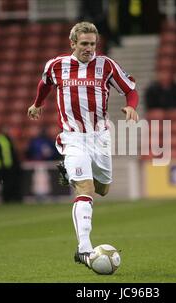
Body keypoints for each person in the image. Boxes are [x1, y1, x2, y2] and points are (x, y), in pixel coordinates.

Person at [27, 21, 139, 270]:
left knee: (103, 189)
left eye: (93, 43)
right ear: (73, 44)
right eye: (85, 44)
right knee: (85, 189)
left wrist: (131, 106)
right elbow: (44, 84)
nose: (90, 48)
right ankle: (84, 249)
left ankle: (68, 173)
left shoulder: (106, 65)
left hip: (99, 137)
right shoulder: (57, 66)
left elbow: (131, 89)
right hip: (73, 137)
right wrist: (37, 104)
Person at [0, 125, 23, 203]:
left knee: (11, 183)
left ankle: (12, 198)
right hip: (3, 166)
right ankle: (6, 199)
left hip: (10, 165)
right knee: (6, 184)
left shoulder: (7, 139)